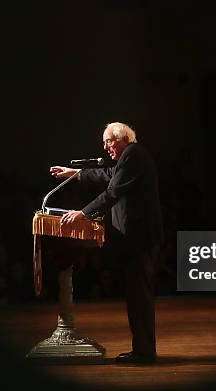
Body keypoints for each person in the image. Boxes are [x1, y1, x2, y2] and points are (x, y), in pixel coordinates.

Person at [50, 122, 163, 363]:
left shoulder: (133, 154)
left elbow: (112, 191)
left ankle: (144, 353)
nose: (105, 147)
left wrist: (83, 213)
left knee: (139, 298)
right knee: (136, 297)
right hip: (137, 239)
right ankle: (142, 350)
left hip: (140, 239)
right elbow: (109, 175)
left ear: (122, 138)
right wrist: (76, 174)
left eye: (108, 141)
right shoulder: (131, 156)